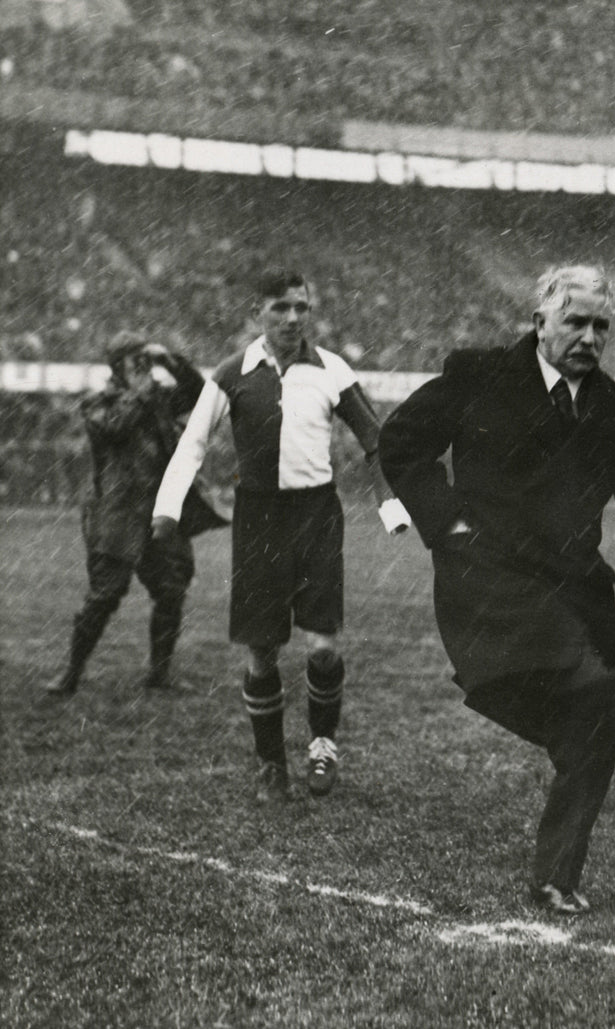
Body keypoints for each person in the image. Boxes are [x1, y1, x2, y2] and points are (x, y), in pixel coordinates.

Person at [378, 265, 615, 915]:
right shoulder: (478, 375)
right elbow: (399, 442)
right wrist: (445, 521)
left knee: (588, 734)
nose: (589, 336)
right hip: (486, 575)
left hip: (575, 586)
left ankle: (555, 877)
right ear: (538, 320)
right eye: (575, 321)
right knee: (577, 685)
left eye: (601, 325)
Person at [151, 269, 406, 803]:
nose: (292, 318)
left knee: (322, 647)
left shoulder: (330, 369)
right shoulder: (232, 372)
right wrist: (166, 511)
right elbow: (192, 445)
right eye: (280, 309)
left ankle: (322, 746)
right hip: (258, 520)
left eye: (301, 308)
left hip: (316, 515)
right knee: (262, 652)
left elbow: (375, 440)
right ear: (258, 312)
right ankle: (271, 766)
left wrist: (390, 504)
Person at [46, 331, 227, 696]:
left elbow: (201, 394)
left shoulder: (158, 398)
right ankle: (71, 673)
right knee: (105, 596)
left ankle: (159, 674)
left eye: (145, 360)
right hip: (117, 513)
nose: (143, 368)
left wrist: (170, 361)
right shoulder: (98, 402)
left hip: (159, 512)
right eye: (135, 361)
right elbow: (116, 427)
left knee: (171, 589)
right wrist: (142, 391)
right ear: (117, 367)